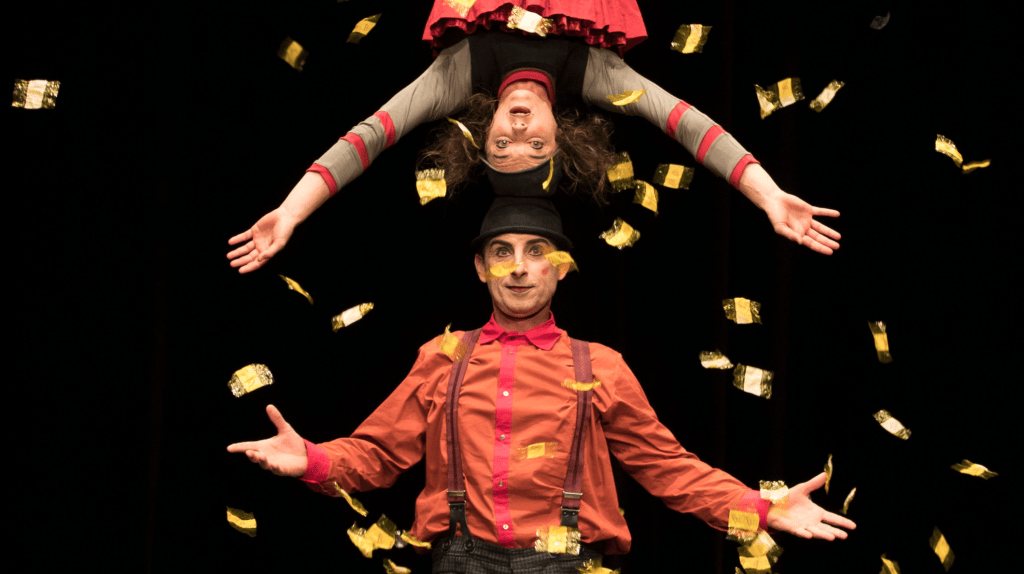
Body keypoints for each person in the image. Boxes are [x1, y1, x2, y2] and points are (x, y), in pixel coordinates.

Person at [226, 193, 856, 573]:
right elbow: (379, 454)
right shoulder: (442, 356)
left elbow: (668, 469)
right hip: (459, 561)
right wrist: (311, 460)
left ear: (560, 268)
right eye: (502, 252)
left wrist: (763, 507)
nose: (519, 268)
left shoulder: (600, 365)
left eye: (536, 252)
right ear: (481, 268)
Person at [226, 0, 841, 274]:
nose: (518, 132)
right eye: (535, 147)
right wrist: (769, 196)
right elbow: (688, 124)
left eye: (502, 146)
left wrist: (291, 211)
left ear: (484, 130)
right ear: (562, 137)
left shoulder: (457, 75)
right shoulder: (596, 75)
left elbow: (369, 138)